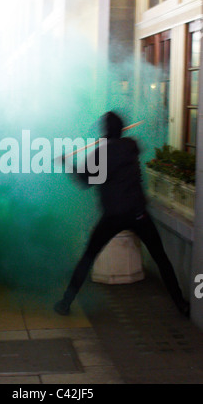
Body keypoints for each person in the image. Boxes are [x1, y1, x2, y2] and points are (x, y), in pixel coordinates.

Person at [54, 111, 190, 317]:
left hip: (113, 216)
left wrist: (66, 163)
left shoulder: (99, 154)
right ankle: (180, 303)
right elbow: (128, 146)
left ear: (105, 131)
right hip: (137, 213)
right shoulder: (131, 146)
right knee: (160, 257)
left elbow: (84, 182)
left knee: (88, 257)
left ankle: (65, 302)